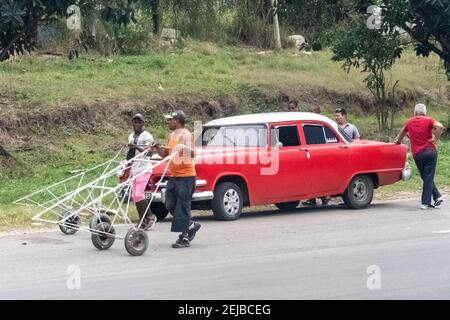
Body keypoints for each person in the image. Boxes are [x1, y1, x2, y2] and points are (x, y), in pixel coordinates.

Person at [151, 110, 201, 248]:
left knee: (182, 207)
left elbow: (193, 153)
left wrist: (183, 147)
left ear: (178, 121)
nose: (168, 122)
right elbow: (165, 154)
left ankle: (184, 238)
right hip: (174, 177)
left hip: (186, 177)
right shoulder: (171, 135)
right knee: (169, 203)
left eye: (170, 120)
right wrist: (157, 148)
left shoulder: (186, 134)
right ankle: (191, 225)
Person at [395, 103, 445, 210]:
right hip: (430, 152)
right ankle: (437, 196)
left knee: (426, 177)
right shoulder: (429, 120)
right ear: (425, 112)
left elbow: (402, 133)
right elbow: (440, 126)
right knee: (427, 177)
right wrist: (436, 138)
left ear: (415, 112)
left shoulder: (409, 121)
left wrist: (397, 142)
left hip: (418, 155)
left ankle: (426, 202)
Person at [127, 113, 157, 230]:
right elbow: (130, 153)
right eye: (135, 122)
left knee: (139, 194)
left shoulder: (147, 136)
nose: (137, 124)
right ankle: (142, 219)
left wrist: (135, 146)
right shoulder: (131, 136)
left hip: (144, 168)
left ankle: (150, 217)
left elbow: (149, 153)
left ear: (143, 123)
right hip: (134, 168)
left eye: (139, 122)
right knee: (135, 196)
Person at [303, 104, 330, 207]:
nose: (310, 114)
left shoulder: (321, 125)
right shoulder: (306, 124)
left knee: (321, 175)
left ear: (318, 114)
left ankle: (325, 196)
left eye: (312, 112)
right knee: (310, 176)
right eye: (309, 111)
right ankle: (312, 198)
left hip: (320, 153)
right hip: (310, 153)